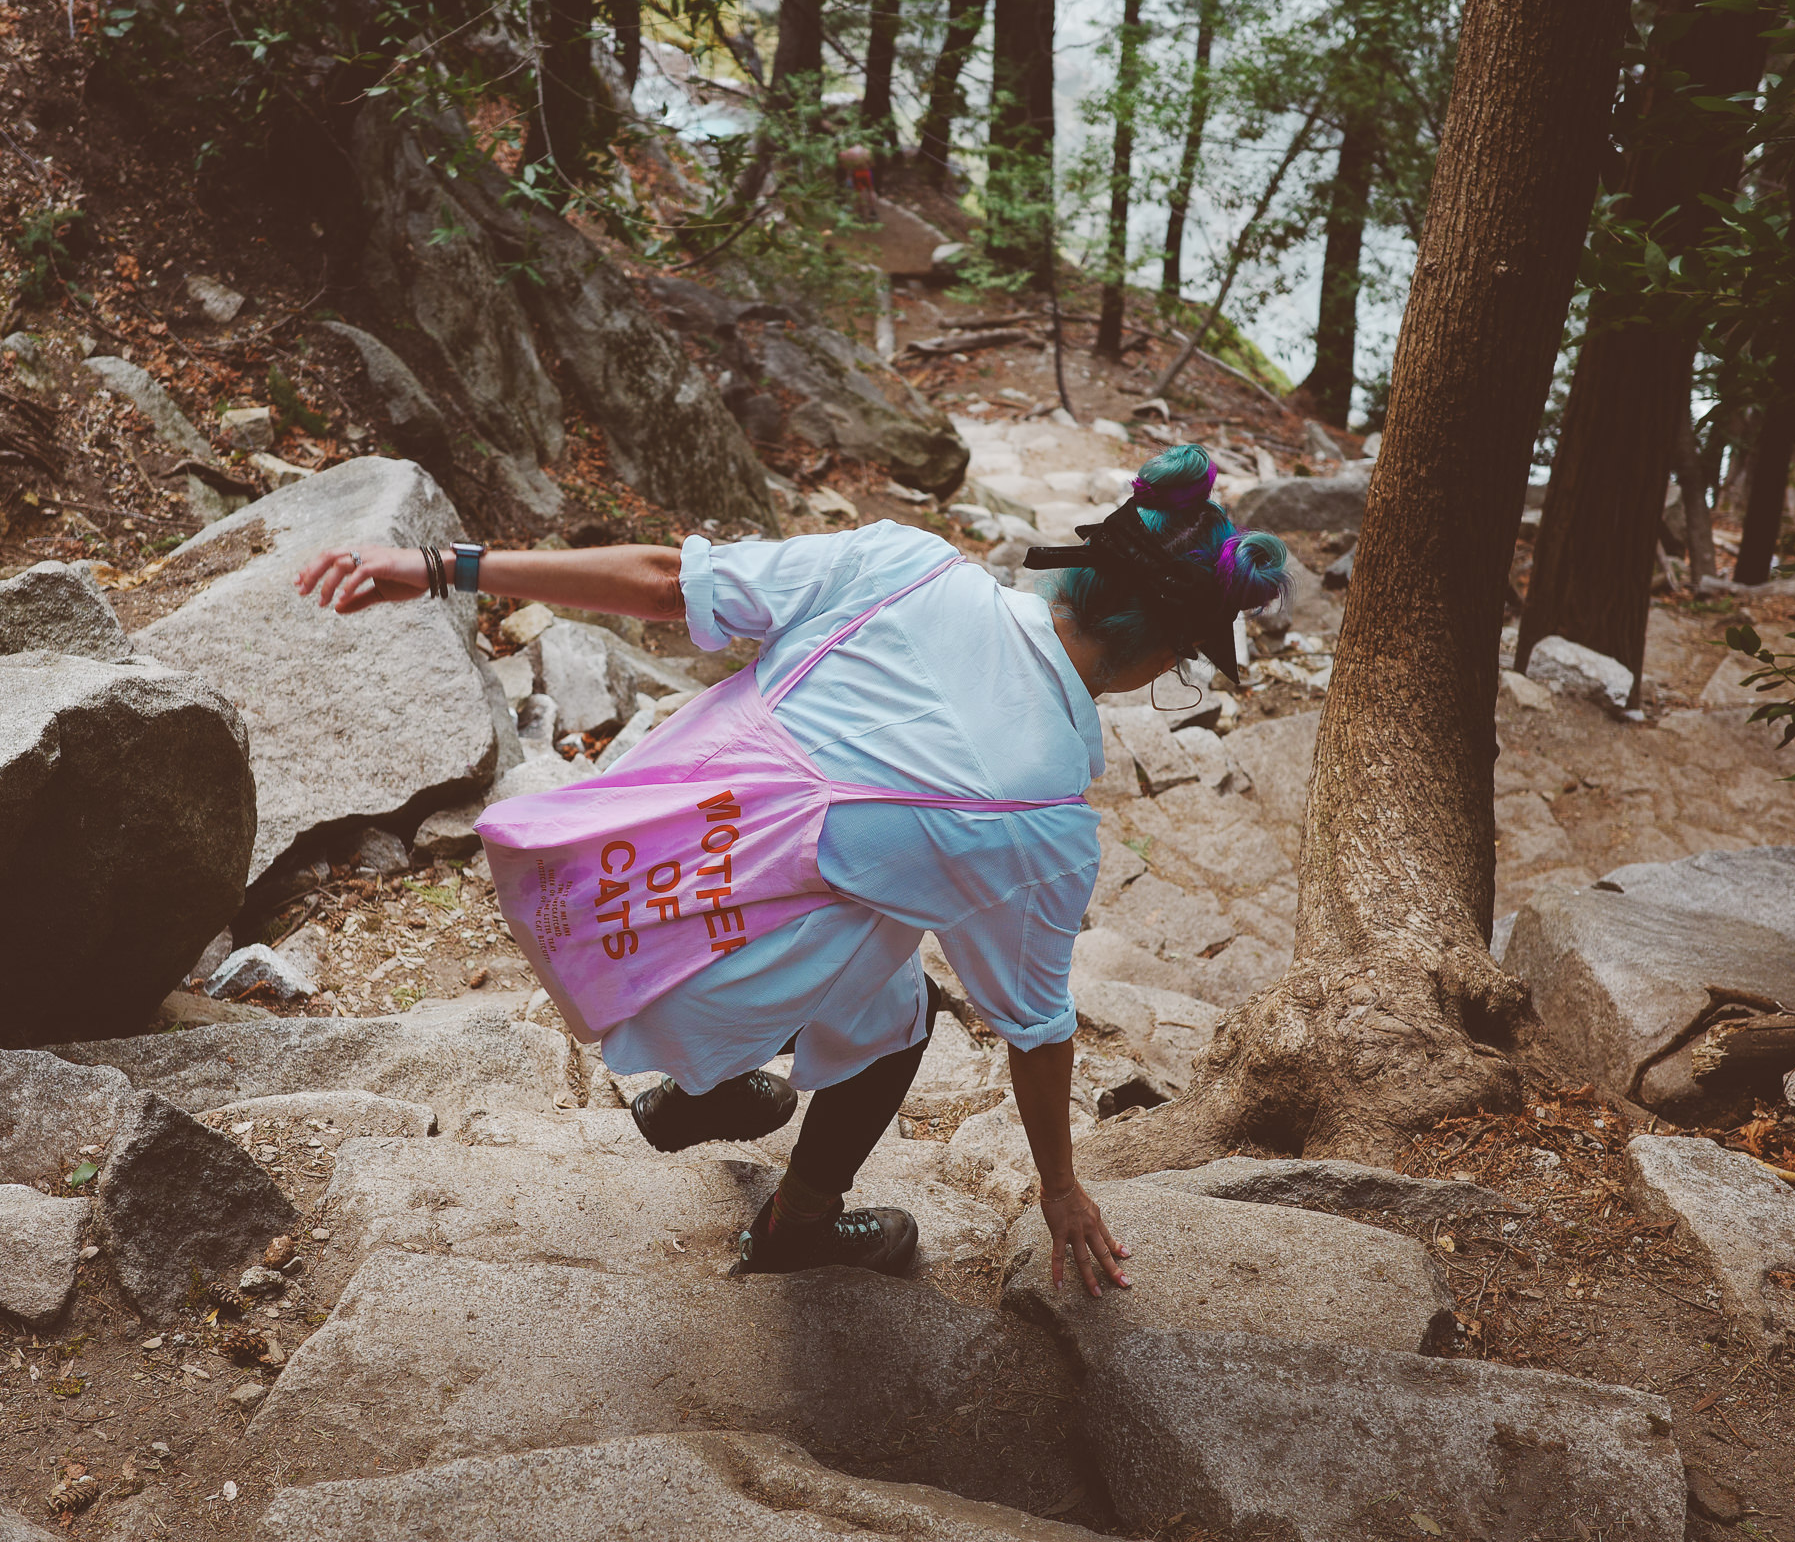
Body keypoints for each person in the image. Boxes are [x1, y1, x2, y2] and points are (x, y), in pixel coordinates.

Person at [293, 445, 1288, 1297]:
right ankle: (794, 1224)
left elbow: (658, 581)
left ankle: (710, 1089)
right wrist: (1059, 1185)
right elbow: (1037, 1026)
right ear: (1163, 653)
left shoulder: (905, 566)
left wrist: (439, 566)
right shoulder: (1041, 825)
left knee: (843, 879)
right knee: (905, 1019)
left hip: (582, 872)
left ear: (1080, 565)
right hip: (678, 984)